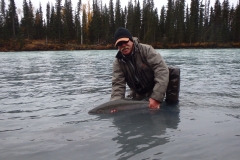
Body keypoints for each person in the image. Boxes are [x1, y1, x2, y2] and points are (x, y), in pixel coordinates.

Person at [111, 27, 169, 110]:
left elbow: (161, 70)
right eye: (120, 44)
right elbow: (118, 84)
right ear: (117, 47)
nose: (123, 45)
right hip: (138, 92)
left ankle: (170, 102)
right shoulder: (118, 63)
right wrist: (115, 104)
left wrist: (156, 98)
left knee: (172, 72)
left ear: (131, 41)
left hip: (155, 87)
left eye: (125, 41)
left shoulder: (146, 50)